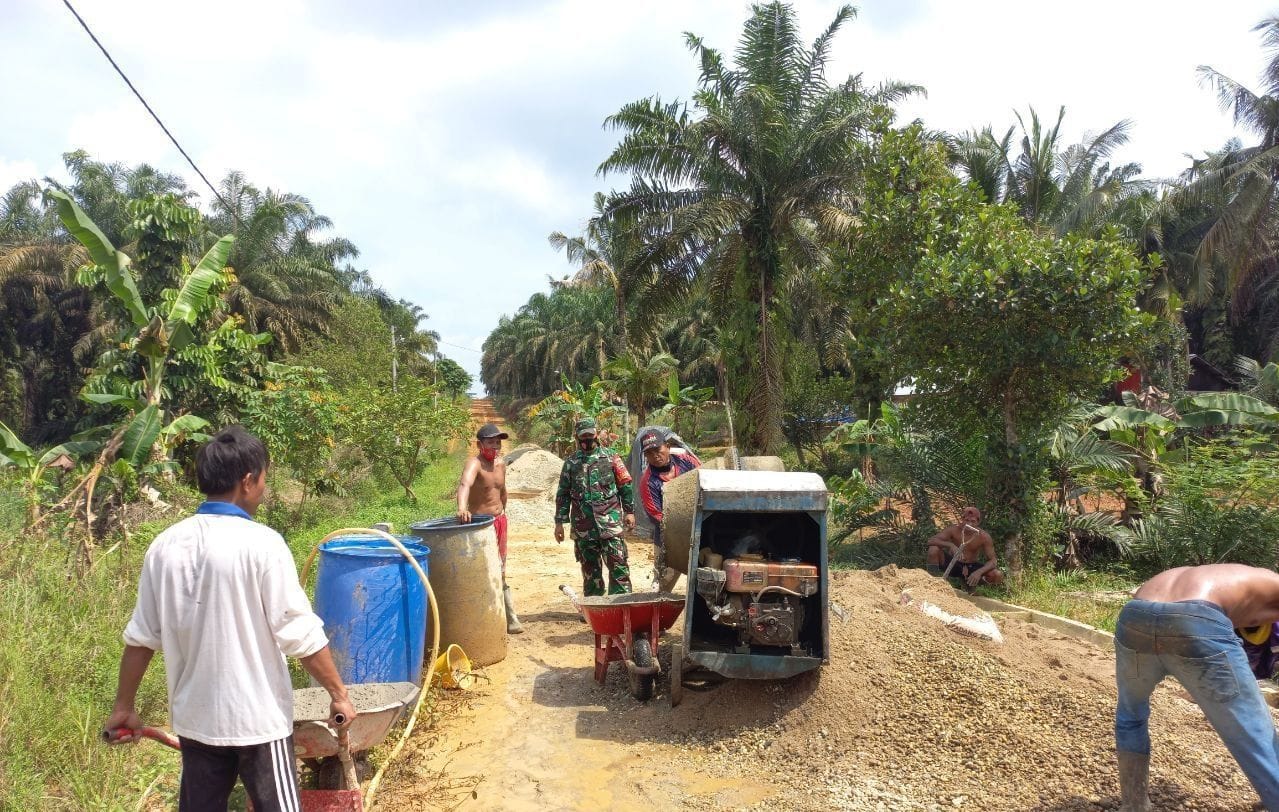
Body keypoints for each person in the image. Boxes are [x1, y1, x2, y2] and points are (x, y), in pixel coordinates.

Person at [103, 425, 355, 812]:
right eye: (265, 479)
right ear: (248, 481)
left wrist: (124, 706)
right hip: (258, 722)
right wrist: (339, 693)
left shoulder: (165, 546)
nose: (265, 488)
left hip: (195, 721)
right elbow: (299, 632)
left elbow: (141, 639)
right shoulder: (262, 544)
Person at [1115, 564, 1279, 811]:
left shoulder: (1235, 578)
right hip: (1197, 618)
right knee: (1255, 735)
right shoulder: (1273, 583)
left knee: (1130, 715)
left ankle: (1134, 805)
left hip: (1136, 616)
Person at [554, 417, 636, 596]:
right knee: (590, 572)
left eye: (590, 435)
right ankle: (595, 607)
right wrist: (559, 523)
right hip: (584, 529)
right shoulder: (571, 463)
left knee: (619, 567)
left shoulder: (612, 457)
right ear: (577, 437)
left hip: (611, 525)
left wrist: (630, 512)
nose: (587, 440)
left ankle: (621, 605)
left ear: (596, 434)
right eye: (583, 437)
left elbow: (625, 486)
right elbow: (563, 494)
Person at [456, 422, 522, 634]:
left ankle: (509, 616)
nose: (495, 447)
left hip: (499, 521)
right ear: (479, 444)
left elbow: (502, 491)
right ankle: (483, 617)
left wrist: (503, 511)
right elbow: (464, 485)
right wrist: (462, 508)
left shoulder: (501, 465)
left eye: (498, 443)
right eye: (490, 442)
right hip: (480, 525)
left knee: (501, 567)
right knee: (482, 568)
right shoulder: (474, 464)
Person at [637, 428, 701, 589]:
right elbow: (657, 516)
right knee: (663, 584)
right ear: (645, 456)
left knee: (705, 579)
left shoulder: (687, 462)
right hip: (669, 541)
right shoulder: (648, 482)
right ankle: (656, 611)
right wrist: (685, 525)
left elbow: (706, 479)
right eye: (649, 453)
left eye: (658, 450)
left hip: (700, 532)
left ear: (667, 446)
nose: (655, 456)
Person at [925, 506, 1005, 589]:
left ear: (978, 522)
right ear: (962, 520)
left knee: (997, 575)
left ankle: (973, 587)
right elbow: (931, 541)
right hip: (953, 563)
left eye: (973, 521)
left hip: (971, 566)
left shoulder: (984, 537)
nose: (969, 524)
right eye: (967, 520)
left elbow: (993, 561)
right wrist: (951, 545)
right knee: (933, 549)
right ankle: (932, 581)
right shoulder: (953, 529)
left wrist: (978, 572)